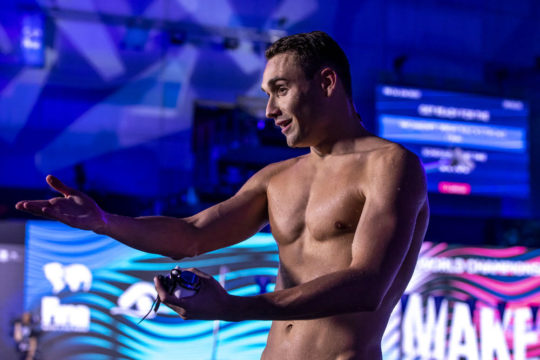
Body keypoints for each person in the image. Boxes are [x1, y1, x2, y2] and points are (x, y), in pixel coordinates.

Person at [16, 31, 429, 360]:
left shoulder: (391, 165)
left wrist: (233, 308)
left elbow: (366, 287)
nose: (269, 110)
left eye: (280, 89)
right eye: (267, 93)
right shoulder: (276, 178)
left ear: (326, 82)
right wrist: (105, 222)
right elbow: (192, 234)